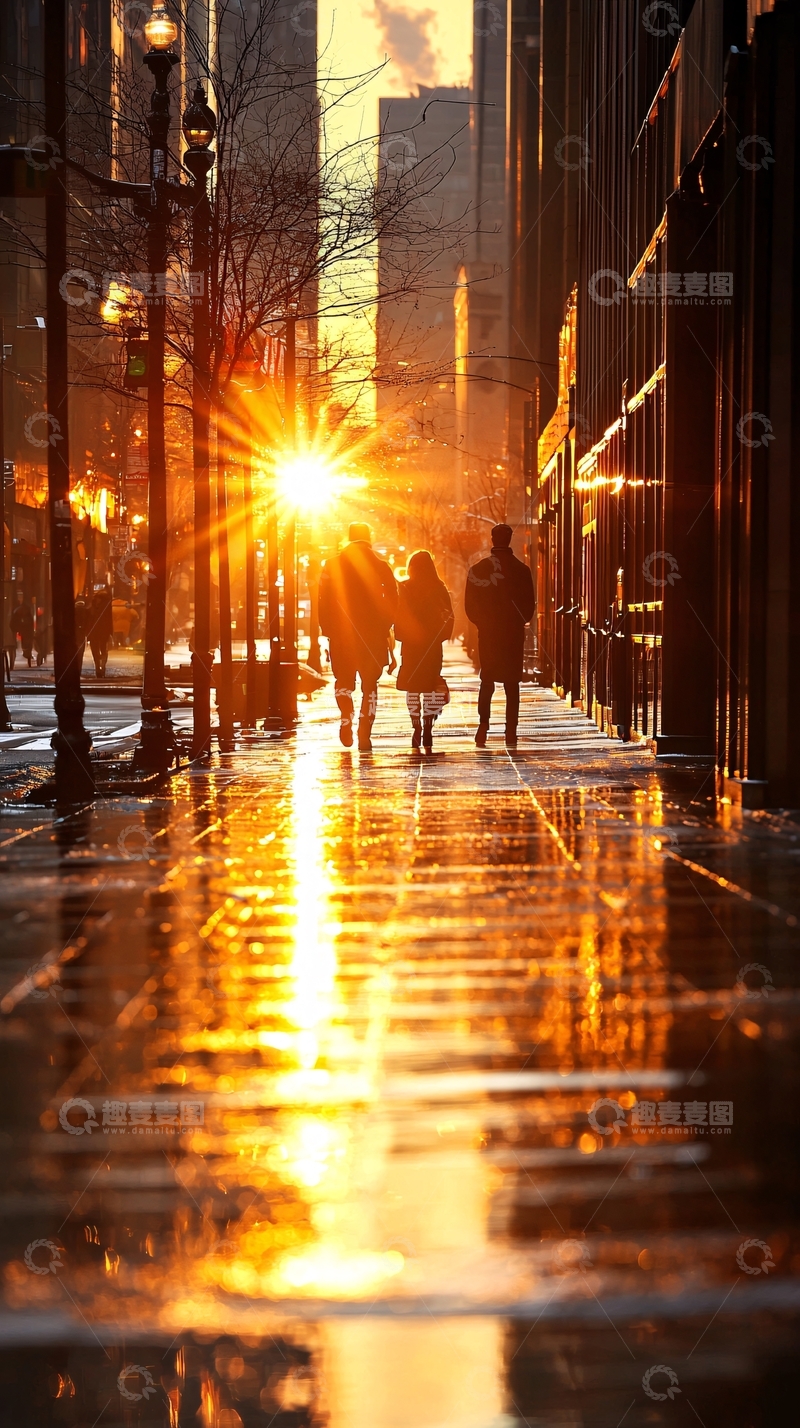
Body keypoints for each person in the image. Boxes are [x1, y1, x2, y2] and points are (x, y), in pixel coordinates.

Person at [319, 522, 398, 751]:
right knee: (370, 684)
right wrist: (386, 624)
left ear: (349, 537)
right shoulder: (381, 565)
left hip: (341, 634)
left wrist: (328, 628)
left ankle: (346, 716)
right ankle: (365, 731)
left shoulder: (331, 565)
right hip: (373, 635)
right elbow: (393, 598)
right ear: (368, 538)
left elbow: (322, 598)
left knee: (343, 681)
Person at [464, 522, 535, 749]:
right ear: (510, 539)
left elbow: (469, 606)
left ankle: (483, 726)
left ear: (492, 540)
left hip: (489, 634)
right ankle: (510, 731)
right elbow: (528, 606)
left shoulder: (478, 569)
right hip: (512, 634)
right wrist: (517, 621)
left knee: (487, 680)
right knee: (512, 683)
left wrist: (483, 623)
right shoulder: (522, 570)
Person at [395, 550, 454, 752]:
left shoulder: (404, 587)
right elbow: (448, 614)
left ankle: (416, 725)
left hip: (411, 645)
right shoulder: (438, 587)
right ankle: (428, 725)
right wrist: (441, 635)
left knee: (412, 687)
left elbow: (397, 613)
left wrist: (402, 634)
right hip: (432, 645)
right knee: (430, 686)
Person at [86, 585, 113, 678]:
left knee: (97, 650)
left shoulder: (93, 605)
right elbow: (109, 620)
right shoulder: (106, 605)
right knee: (102, 649)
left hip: (96, 632)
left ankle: (99, 666)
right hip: (103, 632)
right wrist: (110, 632)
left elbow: (89, 620)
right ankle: (101, 666)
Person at [9, 592, 34, 668]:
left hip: (25, 628)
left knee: (26, 641)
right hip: (21, 626)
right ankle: (26, 652)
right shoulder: (16, 608)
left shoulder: (24, 608)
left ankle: (27, 652)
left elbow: (29, 620)